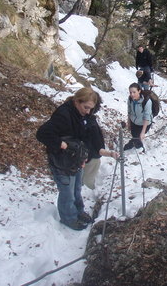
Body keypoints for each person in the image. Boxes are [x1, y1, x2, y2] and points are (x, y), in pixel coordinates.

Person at [36, 87, 118, 231]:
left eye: (90, 109)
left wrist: (103, 152)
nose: (88, 111)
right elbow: (42, 133)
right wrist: (62, 144)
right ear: (76, 101)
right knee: (67, 191)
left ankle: (78, 212)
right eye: (85, 107)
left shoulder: (85, 115)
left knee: (76, 189)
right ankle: (69, 218)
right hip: (61, 161)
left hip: (76, 160)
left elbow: (91, 133)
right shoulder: (64, 114)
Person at [124, 83, 152, 151]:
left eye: (134, 92)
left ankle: (132, 147)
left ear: (139, 91)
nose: (132, 94)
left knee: (137, 138)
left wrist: (143, 132)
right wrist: (129, 122)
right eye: (130, 92)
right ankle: (138, 145)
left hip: (144, 124)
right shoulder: (130, 99)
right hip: (134, 121)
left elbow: (147, 117)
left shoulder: (146, 101)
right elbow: (129, 111)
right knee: (134, 136)